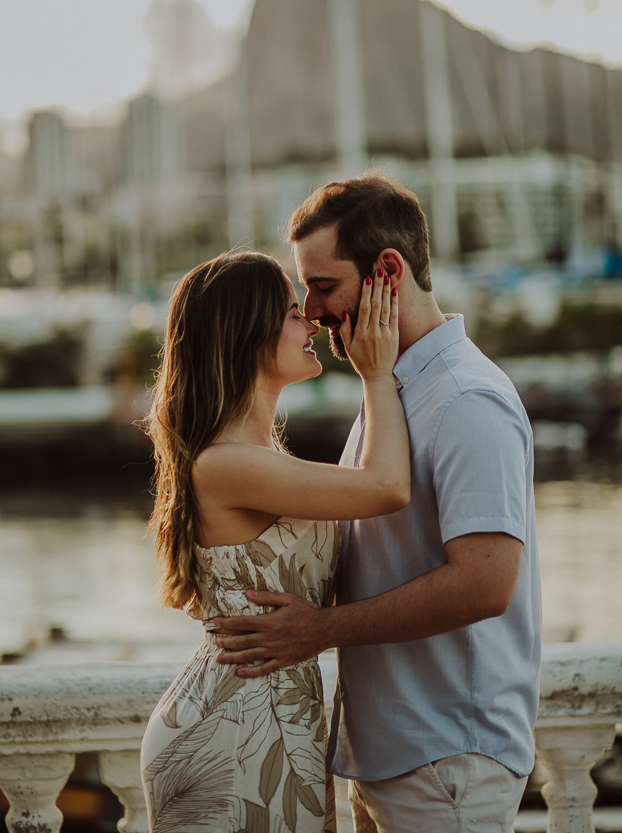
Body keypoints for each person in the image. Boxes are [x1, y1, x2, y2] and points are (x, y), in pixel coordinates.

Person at [212, 175, 542, 833]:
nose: (310, 309)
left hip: (448, 758)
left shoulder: (463, 400)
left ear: (387, 270)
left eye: (324, 285)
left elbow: (484, 582)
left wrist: (319, 629)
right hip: (389, 756)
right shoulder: (389, 388)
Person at [139, 250, 410, 833]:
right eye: (291, 313)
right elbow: (386, 487)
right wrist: (377, 374)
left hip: (280, 717)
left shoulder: (263, 460)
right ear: (246, 336)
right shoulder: (225, 465)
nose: (309, 322)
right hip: (232, 727)